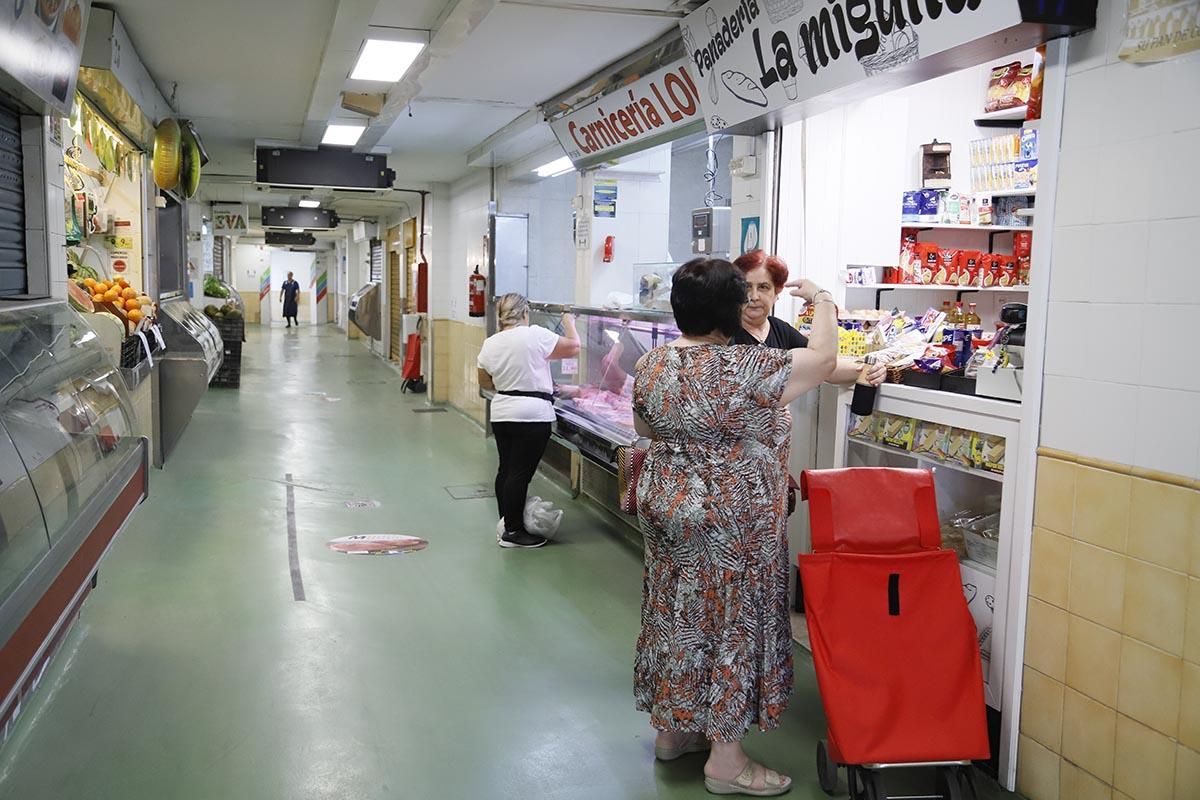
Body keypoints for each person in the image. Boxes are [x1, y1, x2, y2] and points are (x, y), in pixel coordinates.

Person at [632, 257, 838, 797]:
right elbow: (823, 359)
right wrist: (823, 300)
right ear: (729, 310)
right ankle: (726, 760)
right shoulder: (743, 366)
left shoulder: (651, 363)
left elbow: (643, 426)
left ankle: (673, 731)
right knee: (733, 620)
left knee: (677, 608)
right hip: (731, 514)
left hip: (667, 503)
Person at [477, 294, 580, 549]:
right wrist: (569, 320)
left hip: (502, 412)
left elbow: (484, 381)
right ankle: (513, 532)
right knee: (520, 474)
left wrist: (512, 382)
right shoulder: (535, 334)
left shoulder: (490, 343)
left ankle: (507, 521)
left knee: (506, 469)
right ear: (525, 313)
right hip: (532, 414)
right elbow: (573, 347)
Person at [733, 249, 887, 387]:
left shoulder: (779, 329)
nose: (754, 296)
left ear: (776, 293)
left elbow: (825, 367)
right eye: (746, 287)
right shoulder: (724, 334)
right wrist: (822, 298)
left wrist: (870, 369)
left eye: (763, 287)